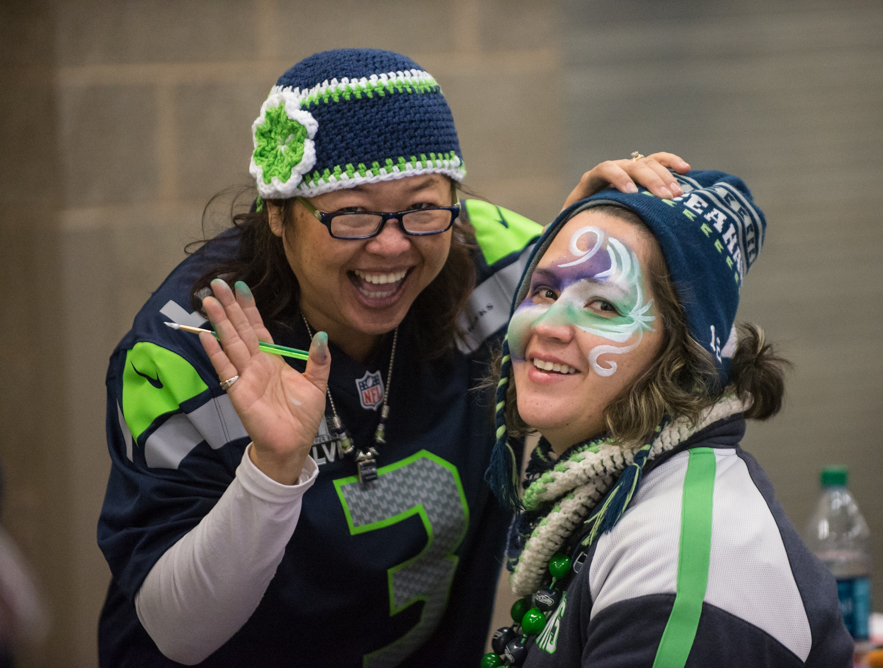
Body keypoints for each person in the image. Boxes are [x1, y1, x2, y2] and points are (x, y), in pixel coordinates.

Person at [96, 48, 689, 667]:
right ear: (277, 212)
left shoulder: (494, 259)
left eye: (422, 206)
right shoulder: (181, 351)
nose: (392, 244)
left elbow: (684, 344)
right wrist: (270, 471)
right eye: (352, 212)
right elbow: (177, 631)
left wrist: (617, 236)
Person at [483, 171, 855, 667]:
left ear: (682, 354)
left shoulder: (678, 564)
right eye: (546, 292)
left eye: (603, 304)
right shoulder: (611, 487)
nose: (548, 326)